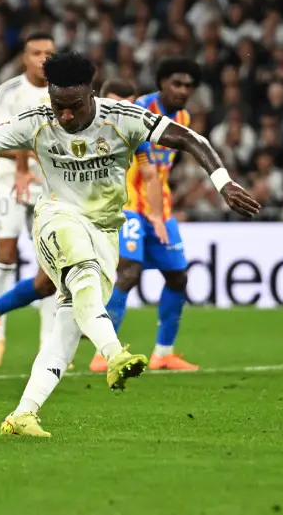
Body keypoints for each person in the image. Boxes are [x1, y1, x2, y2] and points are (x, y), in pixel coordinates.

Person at [0, 51, 260, 437]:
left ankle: (23, 413)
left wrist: (223, 182)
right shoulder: (37, 120)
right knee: (83, 275)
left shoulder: (123, 118)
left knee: (68, 327)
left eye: (72, 106)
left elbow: (190, 138)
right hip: (56, 218)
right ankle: (114, 353)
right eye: (57, 104)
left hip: (105, 230)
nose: (64, 115)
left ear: (90, 93)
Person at [0, 78, 159, 359]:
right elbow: (24, 135)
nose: (122, 111)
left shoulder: (131, 129)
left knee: (47, 284)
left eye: (128, 106)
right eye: (117, 103)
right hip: (70, 213)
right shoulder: (71, 124)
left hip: (116, 213)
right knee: (116, 272)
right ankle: (105, 351)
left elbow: (149, 171)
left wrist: (155, 213)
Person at [91, 58, 202, 374]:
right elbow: (143, 168)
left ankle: (164, 354)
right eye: (176, 83)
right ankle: (104, 352)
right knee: (128, 272)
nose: (182, 91)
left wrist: (158, 213)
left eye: (188, 86)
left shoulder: (183, 117)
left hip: (159, 208)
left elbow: (163, 171)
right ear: (162, 83)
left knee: (178, 276)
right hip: (128, 205)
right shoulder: (136, 108)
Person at [0, 32, 55, 368]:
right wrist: (25, 159)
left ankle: (49, 346)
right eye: (36, 53)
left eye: (48, 53)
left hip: (49, 181)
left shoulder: (62, 91)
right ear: (24, 57)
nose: (43, 59)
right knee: (5, 255)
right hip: (10, 178)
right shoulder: (8, 91)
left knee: (51, 264)